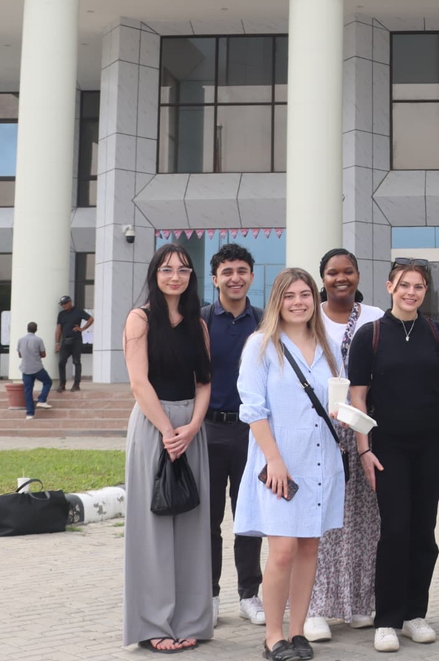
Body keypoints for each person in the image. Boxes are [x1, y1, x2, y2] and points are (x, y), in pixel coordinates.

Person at [348, 259, 439, 653]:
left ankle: (415, 614)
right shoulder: (370, 335)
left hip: (431, 445)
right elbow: (357, 396)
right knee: (395, 531)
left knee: (424, 533)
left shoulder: (437, 332)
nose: (411, 292)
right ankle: (388, 620)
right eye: (404, 285)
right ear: (390, 286)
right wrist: (364, 450)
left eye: (419, 287)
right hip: (387, 446)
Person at [237, 268, 346, 661]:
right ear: (277, 302)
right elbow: (253, 410)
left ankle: (298, 633)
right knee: (281, 551)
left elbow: (338, 399)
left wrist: (346, 414)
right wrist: (275, 460)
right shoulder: (261, 345)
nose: (299, 302)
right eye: (290, 296)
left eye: (305, 295)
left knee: (308, 549)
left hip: (319, 462)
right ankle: (272, 637)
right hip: (279, 465)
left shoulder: (328, 345)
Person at [122, 244, 214, 654]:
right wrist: (167, 430)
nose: (174, 275)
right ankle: (153, 623)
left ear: (191, 276)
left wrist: (191, 427)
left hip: (191, 430)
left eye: (182, 269)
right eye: (166, 269)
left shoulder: (199, 323)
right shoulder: (139, 319)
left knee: (194, 525)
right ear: (155, 274)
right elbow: (139, 382)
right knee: (153, 528)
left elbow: (204, 382)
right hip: (152, 427)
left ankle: (192, 619)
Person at [309, 248, 384, 639]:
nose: (342, 278)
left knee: (363, 518)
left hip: (362, 426)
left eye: (349, 271)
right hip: (317, 427)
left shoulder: (375, 318)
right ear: (322, 278)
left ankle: (359, 602)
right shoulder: (308, 315)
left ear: (358, 275)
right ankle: (315, 607)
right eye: (333, 272)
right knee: (320, 517)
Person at [199, 244, 265, 627]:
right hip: (208, 429)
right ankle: (208, 594)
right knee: (207, 520)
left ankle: (249, 594)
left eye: (242, 271)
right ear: (215, 279)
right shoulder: (202, 321)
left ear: (251, 277)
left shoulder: (264, 321)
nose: (235, 278)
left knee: (249, 519)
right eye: (227, 272)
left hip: (251, 433)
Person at [54, 295, 94, 391]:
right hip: (65, 341)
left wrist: (82, 329)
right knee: (61, 362)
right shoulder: (61, 314)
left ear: (70, 302)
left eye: (65, 303)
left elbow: (91, 319)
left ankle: (76, 384)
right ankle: (62, 384)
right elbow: (58, 328)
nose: (64, 305)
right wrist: (57, 343)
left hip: (76, 340)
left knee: (76, 362)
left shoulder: (78, 311)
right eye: (62, 304)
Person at [15, 321, 53, 421]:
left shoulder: (20, 340)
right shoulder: (38, 340)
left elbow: (20, 355)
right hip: (37, 367)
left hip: (25, 368)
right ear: (36, 329)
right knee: (48, 382)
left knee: (28, 391)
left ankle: (30, 414)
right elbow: (43, 354)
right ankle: (41, 399)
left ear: (27, 328)